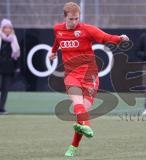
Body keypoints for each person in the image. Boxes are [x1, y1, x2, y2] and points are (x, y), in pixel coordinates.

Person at [49, 2, 129, 157]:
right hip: (71, 74)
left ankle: (74, 145)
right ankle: (86, 125)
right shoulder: (58, 29)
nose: (74, 22)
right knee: (78, 105)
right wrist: (53, 52)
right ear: (65, 17)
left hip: (89, 75)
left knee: (82, 113)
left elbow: (105, 38)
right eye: (71, 19)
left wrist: (119, 38)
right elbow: (57, 41)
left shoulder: (87, 29)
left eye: (76, 19)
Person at [0, 18, 20, 115]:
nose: (7, 29)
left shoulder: (13, 39)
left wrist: (17, 68)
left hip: (8, 69)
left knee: (5, 89)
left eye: (9, 27)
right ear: (2, 28)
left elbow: (16, 56)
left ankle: (1, 108)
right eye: (5, 27)